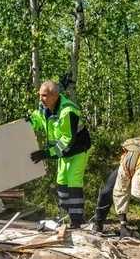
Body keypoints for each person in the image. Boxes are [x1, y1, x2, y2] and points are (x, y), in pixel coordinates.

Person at [28, 81, 92, 228]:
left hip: (78, 150)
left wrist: (46, 153)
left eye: (44, 95)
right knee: (61, 182)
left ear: (55, 96)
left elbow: (66, 141)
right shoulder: (45, 108)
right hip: (63, 153)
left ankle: (76, 221)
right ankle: (64, 217)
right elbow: (38, 120)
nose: (41, 99)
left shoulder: (67, 111)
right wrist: (28, 123)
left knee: (73, 181)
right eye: (40, 95)